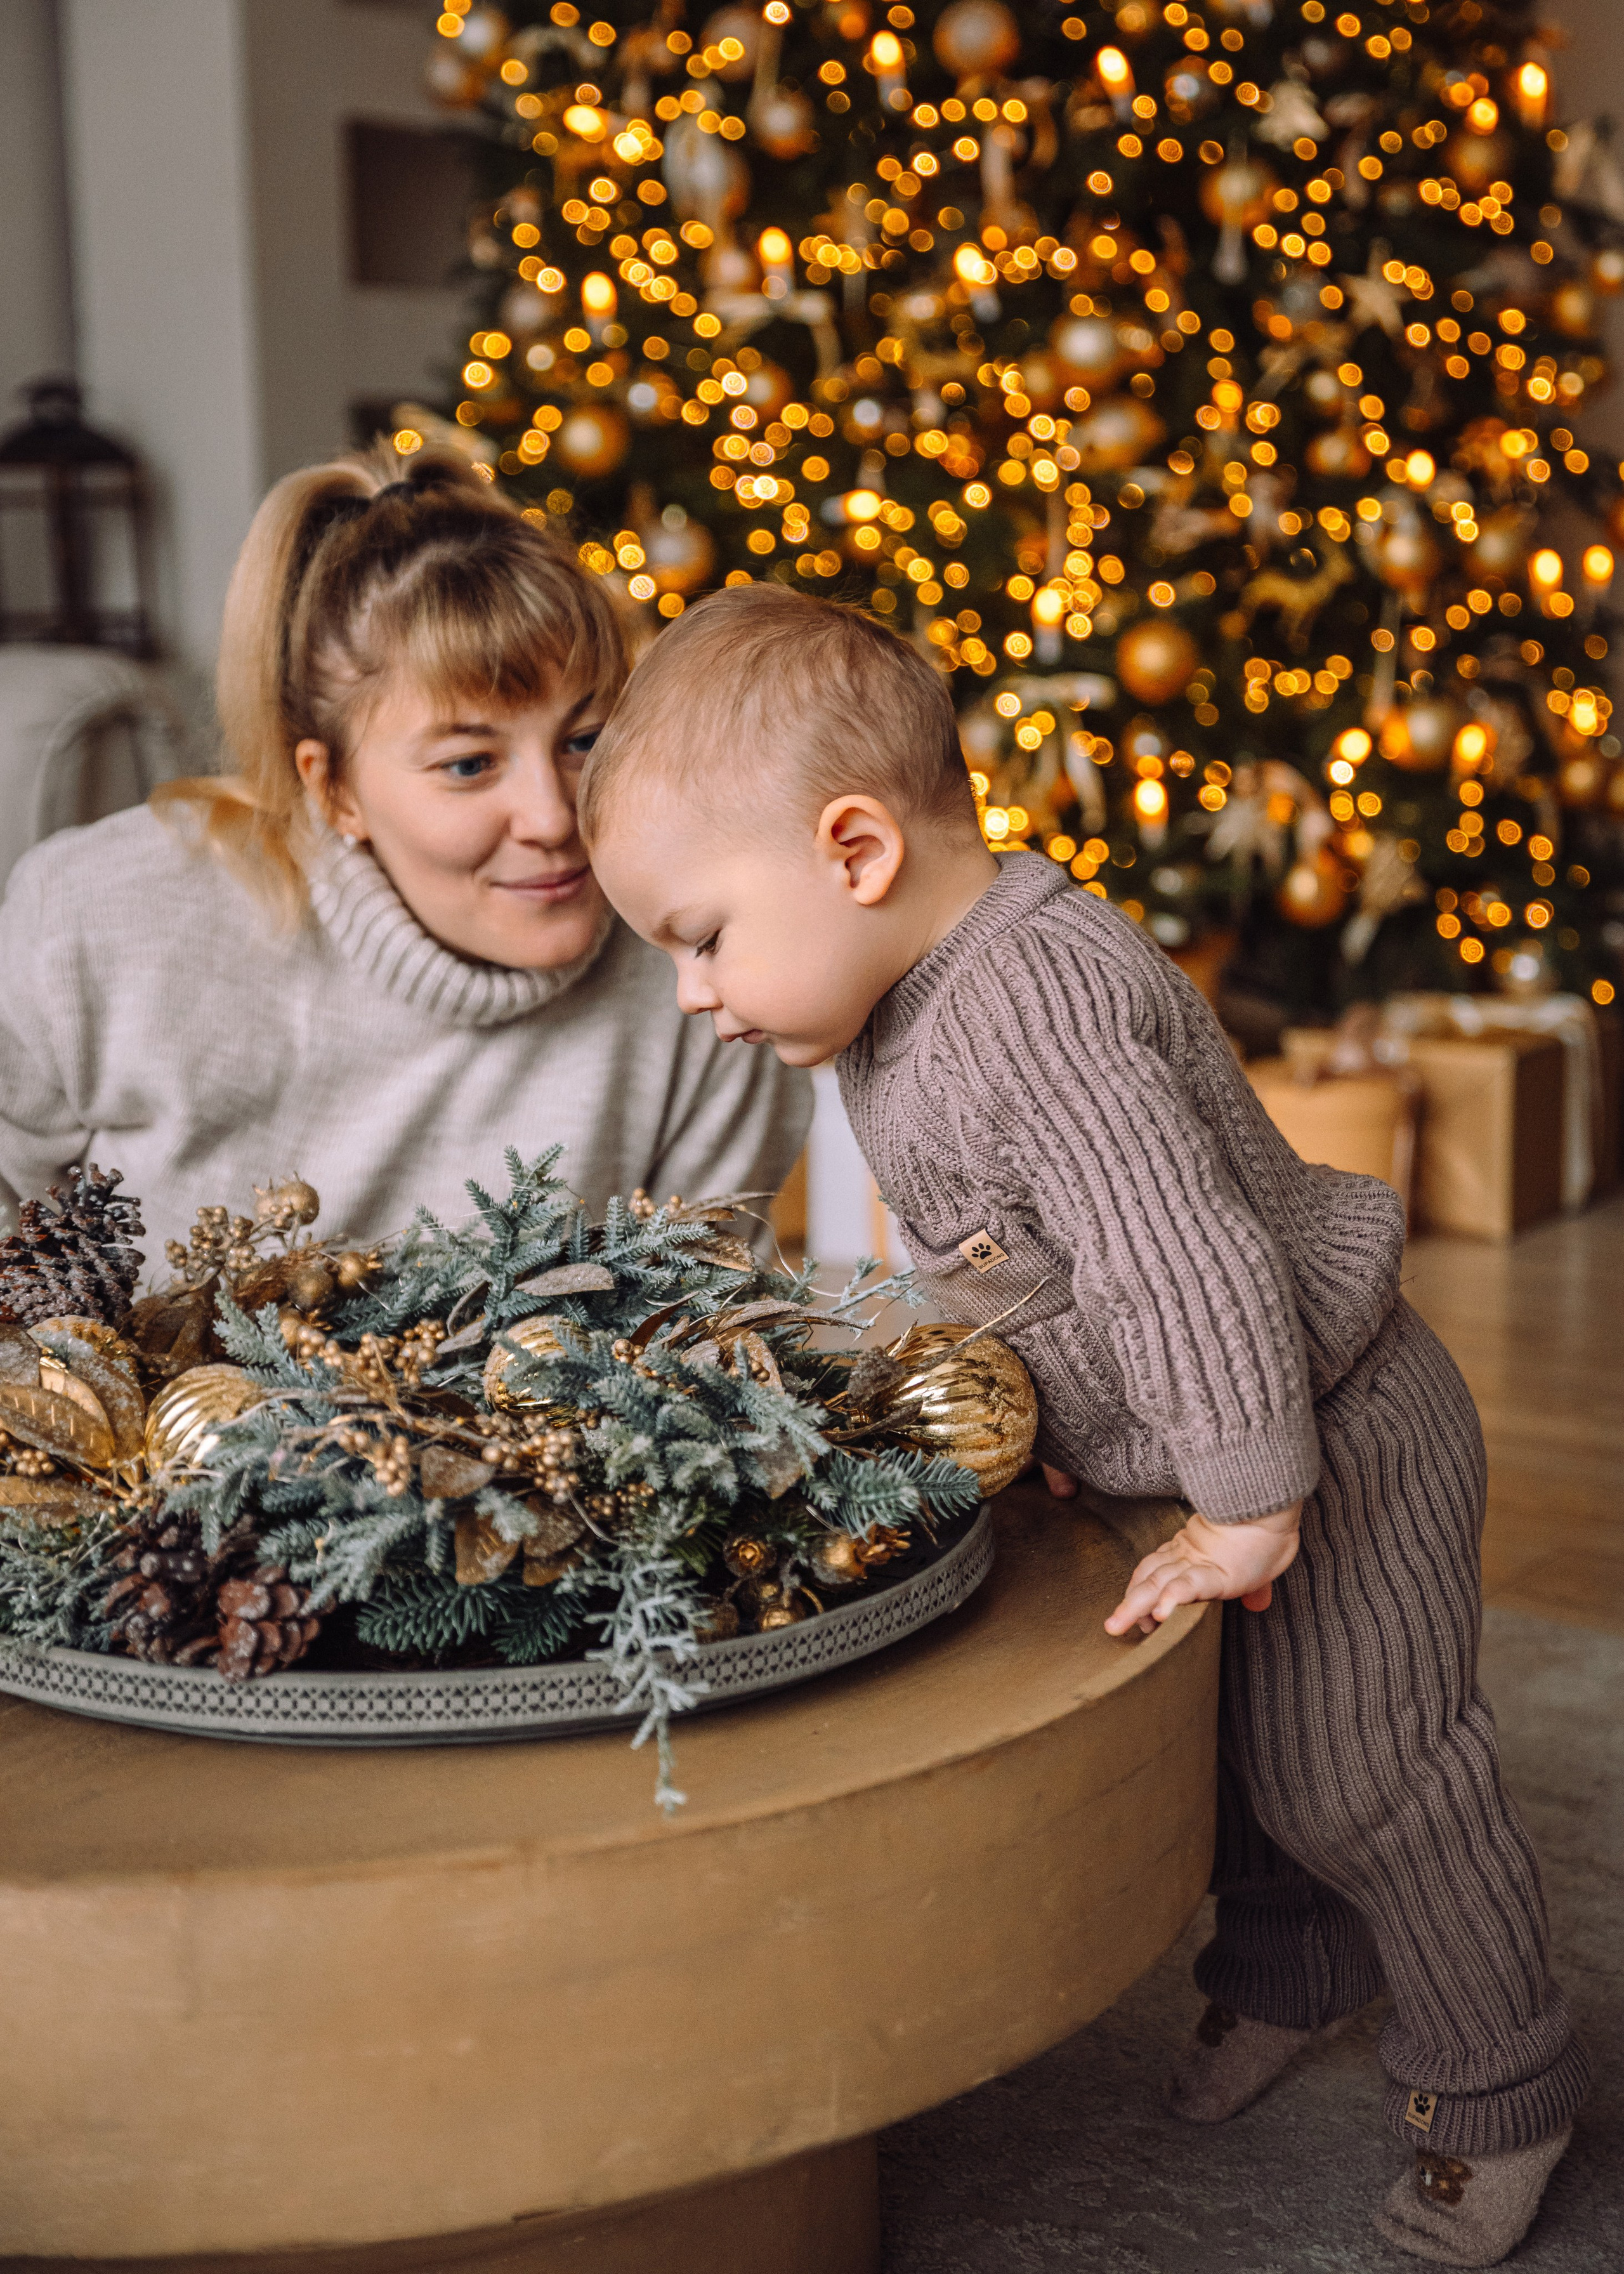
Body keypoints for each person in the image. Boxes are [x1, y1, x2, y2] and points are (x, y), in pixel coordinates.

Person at [579, 582, 1587, 2271]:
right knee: (1240, 1754)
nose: (691, 994)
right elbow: (1015, 1264)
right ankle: (1294, 1970)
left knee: (1371, 1779)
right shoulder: (897, 1003)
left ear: (853, 850)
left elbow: (1180, 1261)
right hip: (1196, 1443)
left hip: (1332, 1423)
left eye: (701, 937)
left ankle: (1501, 2085)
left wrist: (1249, 1499)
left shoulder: (1034, 1000)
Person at [0, 454, 808, 1263]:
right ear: (333, 788)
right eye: (469, 764)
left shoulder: (707, 979)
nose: (555, 817)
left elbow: (701, 1315)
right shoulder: (96, 921)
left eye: (584, 741)